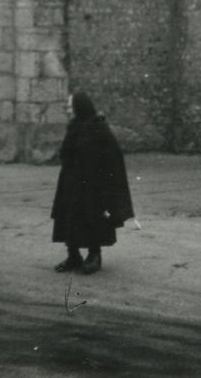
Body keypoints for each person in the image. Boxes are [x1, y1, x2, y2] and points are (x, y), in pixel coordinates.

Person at [51, 91, 135, 274]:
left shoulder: (99, 128)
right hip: (71, 183)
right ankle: (73, 255)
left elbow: (113, 156)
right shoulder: (74, 126)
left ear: (79, 106)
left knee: (91, 217)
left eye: (69, 105)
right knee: (68, 217)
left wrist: (104, 181)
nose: (67, 109)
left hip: (92, 186)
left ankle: (94, 255)